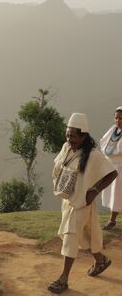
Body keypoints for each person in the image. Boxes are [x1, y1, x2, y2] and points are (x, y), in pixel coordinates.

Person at [48, 113, 117, 294]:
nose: (69, 139)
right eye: (67, 135)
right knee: (86, 236)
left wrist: (94, 191)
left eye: (73, 136)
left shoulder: (93, 155)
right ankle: (101, 260)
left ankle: (63, 279)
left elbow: (112, 173)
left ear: (84, 136)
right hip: (69, 202)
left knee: (71, 238)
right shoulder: (66, 148)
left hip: (81, 205)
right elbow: (58, 167)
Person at [99, 106, 122, 229]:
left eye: (121, 118)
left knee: (118, 194)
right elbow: (104, 142)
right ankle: (112, 221)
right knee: (113, 194)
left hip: (120, 168)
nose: (118, 121)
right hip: (111, 167)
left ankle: (112, 221)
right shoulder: (113, 130)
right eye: (116, 118)